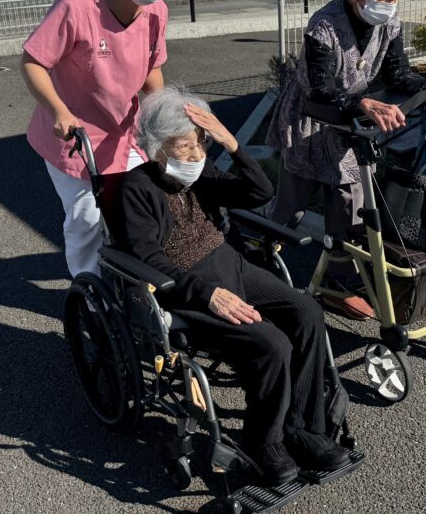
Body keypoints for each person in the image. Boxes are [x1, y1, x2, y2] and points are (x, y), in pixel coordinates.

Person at [112, 87, 353, 486]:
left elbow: (260, 191)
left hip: (231, 264)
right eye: (183, 146)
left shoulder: (202, 171)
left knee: (307, 312)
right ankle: (264, 442)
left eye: (199, 142)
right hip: (187, 289)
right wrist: (208, 294)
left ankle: (303, 428)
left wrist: (233, 145)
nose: (194, 154)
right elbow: (147, 258)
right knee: (272, 344)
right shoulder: (137, 189)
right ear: (156, 151)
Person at [266, 0, 426, 319]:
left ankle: (339, 284)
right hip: (309, 121)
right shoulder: (323, 25)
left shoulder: (389, 24)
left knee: (351, 206)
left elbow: (398, 73)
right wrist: (363, 102)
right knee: (291, 204)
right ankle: (258, 258)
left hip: (351, 125)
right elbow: (318, 90)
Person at [20, 0, 178, 278]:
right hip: (73, 136)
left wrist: (168, 117)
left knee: (143, 203)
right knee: (86, 217)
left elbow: (152, 69)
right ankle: (88, 287)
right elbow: (33, 61)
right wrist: (58, 111)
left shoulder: (157, 12)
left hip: (125, 130)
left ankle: (142, 275)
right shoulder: (77, 5)